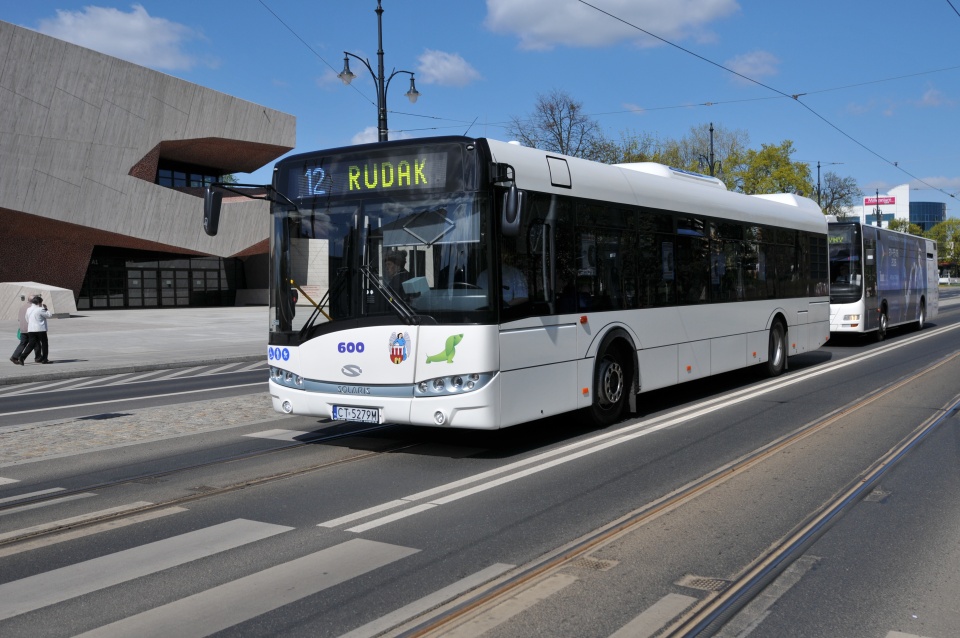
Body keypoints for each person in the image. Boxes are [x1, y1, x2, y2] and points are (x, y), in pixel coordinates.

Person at [19, 295, 53, 364]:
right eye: (41, 302)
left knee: (31, 344)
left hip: (31, 329)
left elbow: (27, 318)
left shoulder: (28, 309)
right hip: (40, 329)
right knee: (44, 344)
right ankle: (44, 359)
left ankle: (22, 357)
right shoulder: (40, 309)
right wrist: (45, 308)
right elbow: (49, 315)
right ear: (39, 303)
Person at [9, 294, 34, 365]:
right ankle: (24, 357)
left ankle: (14, 356)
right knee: (34, 343)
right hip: (30, 328)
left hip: (22, 328)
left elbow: (19, 319)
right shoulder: (32, 307)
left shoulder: (22, 307)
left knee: (23, 343)